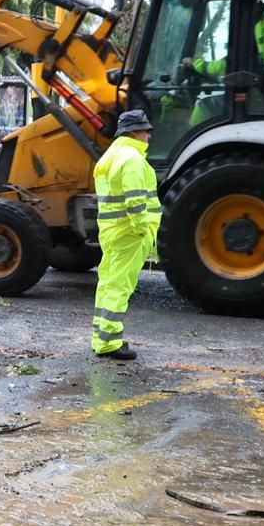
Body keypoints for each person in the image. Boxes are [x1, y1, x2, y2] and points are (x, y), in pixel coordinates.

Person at [90, 109, 161, 361]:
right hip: (130, 233)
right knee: (120, 287)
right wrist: (143, 230)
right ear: (134, 132)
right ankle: (110, 342)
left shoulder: (111, 157)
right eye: (146, 131)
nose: (148, 136)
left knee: (109, 283)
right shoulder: (132, 159)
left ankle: (101, 337)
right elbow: (135, 201)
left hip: (113, 231)